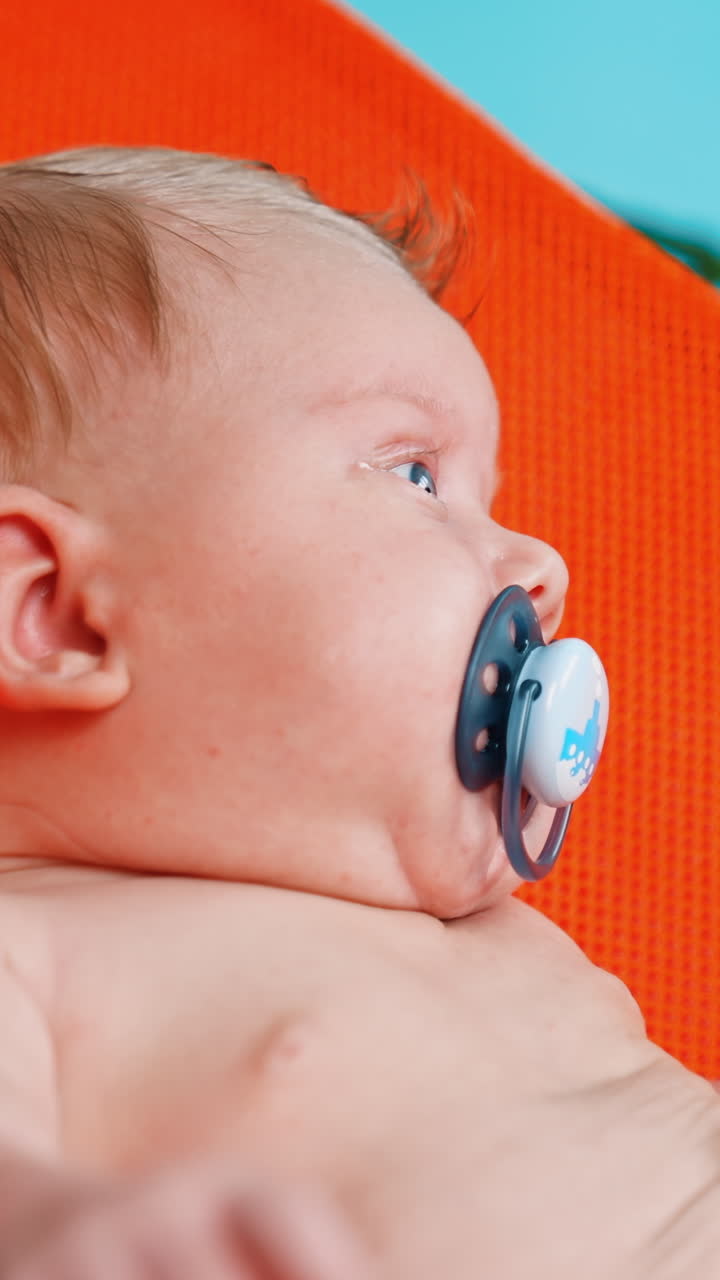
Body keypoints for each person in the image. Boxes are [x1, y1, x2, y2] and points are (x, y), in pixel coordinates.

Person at [0, 146, 718, 1280]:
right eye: (416, 474)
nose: (539, 562)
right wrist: (44, 1223)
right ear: (57, 614)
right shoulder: (34, 948)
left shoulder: (475, 935)